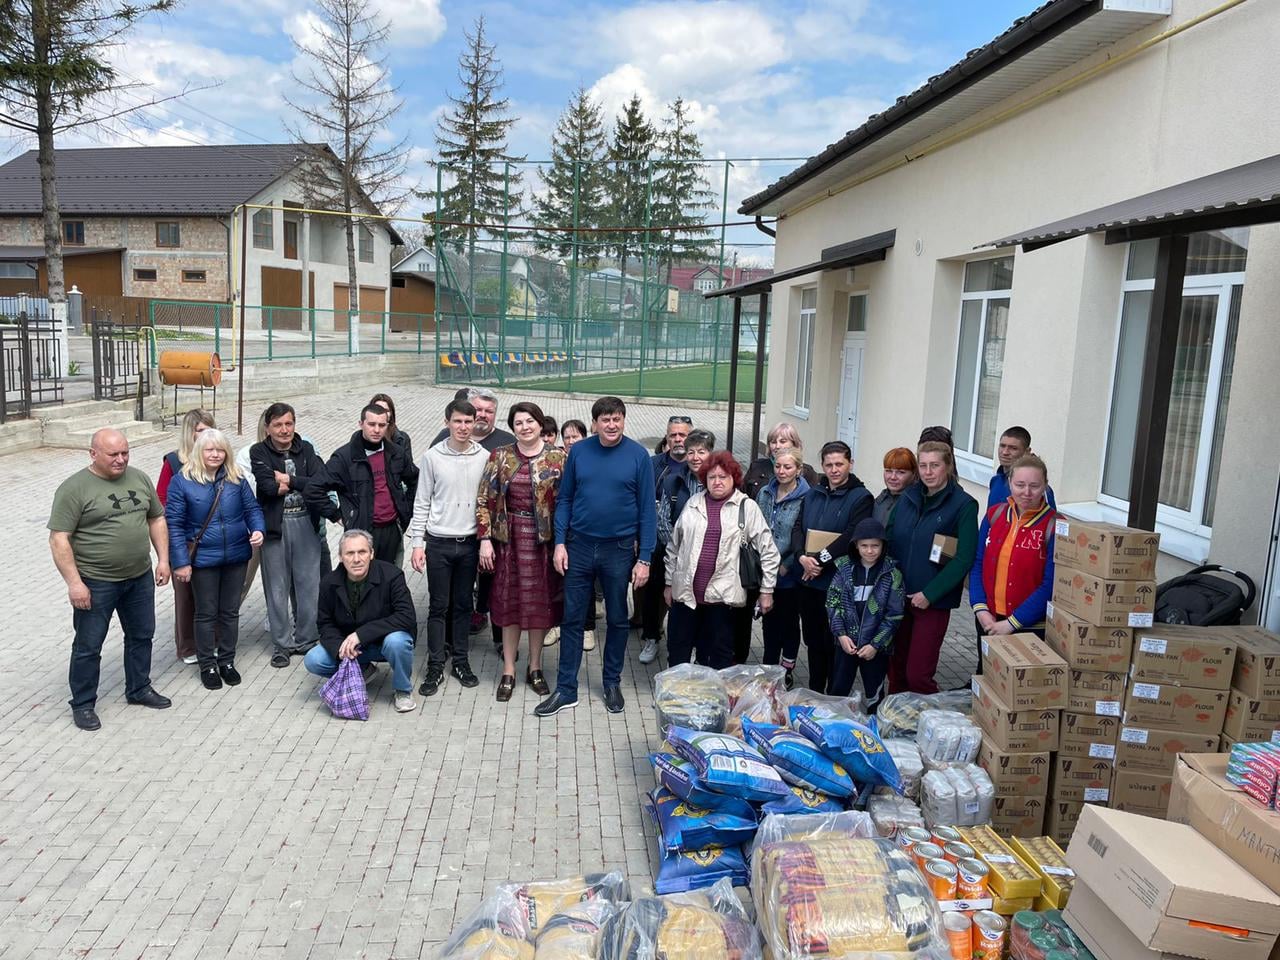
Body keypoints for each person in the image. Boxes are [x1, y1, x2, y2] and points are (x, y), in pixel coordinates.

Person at [537, 396, 657, 717]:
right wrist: (559, 543)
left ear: (623, 420)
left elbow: (647, 510)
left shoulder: (638, 456)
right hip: (578, 545)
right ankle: (566, 689)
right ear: (595, 423)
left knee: (617, 619)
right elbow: (565, 500)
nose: (612, 424)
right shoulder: (578, 452)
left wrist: (644, 557)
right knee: (572, 618)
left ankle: (611, 682)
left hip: (618, 550)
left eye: (617, 418)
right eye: (605, 419)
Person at [49, 429, 174, 731]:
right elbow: (59, 538)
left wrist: (164, 560)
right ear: (93, 454)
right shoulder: (74, 488)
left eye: (125, 453)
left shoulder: (139, 478)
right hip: (96, 581)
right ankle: (83, 704)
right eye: (113, 455)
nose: (121, 460)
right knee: (89, 645)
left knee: (142, 635)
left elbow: (156, 518)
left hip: (139, 576)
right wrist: (75, 583)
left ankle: (139, 688)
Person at [477, 401, 568, 701]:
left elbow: (568, 502)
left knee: (538, 605)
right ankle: (508, 669)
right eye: (518, 423)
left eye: (530, 421)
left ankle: (535, 667)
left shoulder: (558, 458)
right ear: (513, 427)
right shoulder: (500, 456)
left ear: (541, 425)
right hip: (509, 541)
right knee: (510, 604)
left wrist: (564, 543)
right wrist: (485, 538)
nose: (525, 427)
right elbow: (483, 499)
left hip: (544, 543)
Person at [166, 429, 266, 691]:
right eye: (210, 449)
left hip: (236, 555)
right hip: (203, 560)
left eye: (220, 449)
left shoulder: (235, 478)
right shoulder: (182, 481)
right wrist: (181, 562)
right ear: (199, 451)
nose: (215, 454)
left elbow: (252, 508)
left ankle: (227, 661)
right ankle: (207, 664)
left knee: (230, 612)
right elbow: (174, 525)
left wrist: (258, 529)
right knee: (206, 613)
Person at [664, 451, 779, 668]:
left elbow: (769, 552)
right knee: (678, 651)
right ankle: (675, 699)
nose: (717, 482)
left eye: (723, 477)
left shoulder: (747, 507)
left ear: (733, 478)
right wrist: (669, 583)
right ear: (705, 479)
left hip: (723, 600)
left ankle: (714, 700)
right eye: (712, 477)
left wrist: (767, 591)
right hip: (686, 595)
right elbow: (674, 547)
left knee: (718, 656)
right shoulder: (693, 503)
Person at [408, 398, 488, 696]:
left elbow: (486, 504)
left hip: (468, 544)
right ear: (447, 423)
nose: (464, 427)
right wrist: (418, 544)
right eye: (458, 421)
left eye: (469, 422)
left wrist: (484, 542)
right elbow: (422, 502)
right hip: (438, 543)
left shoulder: (484, 456)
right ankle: (435, 664)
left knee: (463, 605)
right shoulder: (432, 457)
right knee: (438, 606)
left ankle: (461, 661)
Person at [887, 441, 978, 694]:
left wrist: (930, 594)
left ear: (948, 467)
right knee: (896, 670)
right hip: (899, 597)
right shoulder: (908, 497)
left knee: (918, 675)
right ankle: (896, 722)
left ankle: (936, 723)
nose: (928, 472)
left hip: (932, 603)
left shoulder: (963, 505)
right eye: (924, 465)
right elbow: (890, 537)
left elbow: (964, 558)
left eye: (935, 465)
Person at [431, 388, 515, 647]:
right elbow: (433, 485)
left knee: (497, 586)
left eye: (489, 411)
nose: (483, 415)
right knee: (458, 590)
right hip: (460, 530)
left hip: (495, 531)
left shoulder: (506, 442)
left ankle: (500, 640)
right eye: (478, 410)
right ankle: (450, 641)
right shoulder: (444, 438)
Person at [305, 529, 419, 713]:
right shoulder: (329, 582)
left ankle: (402, 690)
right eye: (350, 553)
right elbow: (325, 623)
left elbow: (406, 617)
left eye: (362, 552)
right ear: (341, 557)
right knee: (313, 659)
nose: (356, 559)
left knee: (398, 642)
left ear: (372, 554)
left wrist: (361, 635)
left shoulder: (392, 575)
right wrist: (340, 648)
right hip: (353, 647)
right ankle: (363, 670)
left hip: (384, 641)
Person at [791, 440, 874, 694]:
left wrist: (819, 560)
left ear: (851, 463)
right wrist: (801, 557)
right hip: (809, 581)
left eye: (840, 464)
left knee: (834, 642)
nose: (834, 469)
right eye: (829, 464)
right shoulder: (813, 493)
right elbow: (797, 528)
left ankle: (834, 696)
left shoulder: (861, 497)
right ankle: (816, 690)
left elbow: (851, 535)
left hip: (837, 584)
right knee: (814, 642)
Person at [250, 402, 327, 668]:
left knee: (309, 585)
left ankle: (306, 639)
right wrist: (287, 484)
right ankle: (282, 644)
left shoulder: (305, 448)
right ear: (268, 428)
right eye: (278, 425)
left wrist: (290, 481)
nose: (284, 430)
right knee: (277, 587)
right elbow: (267, 487)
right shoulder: (258, 451)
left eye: (289, 423)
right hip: (275, 528)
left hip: (306, 523)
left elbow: (320, 481)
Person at [309, 403, 418, 569]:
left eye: (382, 425)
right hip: (362, 533)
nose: (377, 430)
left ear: (387, 426)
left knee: (389, 581)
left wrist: (406, 510)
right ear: (361, 424)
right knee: (362, 584)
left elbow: (415, 479)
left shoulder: (396, 453)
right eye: (371, 424)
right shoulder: (344, 457)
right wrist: (337, 515)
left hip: (392, 529)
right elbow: (313, 489)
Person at [970, 454, 1056, 641]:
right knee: (983, 670)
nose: (1026, 492)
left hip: (1030, 628)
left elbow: (1051, 584)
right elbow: (977, 564)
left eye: (1034, 486)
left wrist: (1012, 623)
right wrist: (980, 608)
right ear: (1009, 482)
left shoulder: (1055, 526)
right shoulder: (995, 515)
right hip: (989, 621)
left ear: (1045, 486)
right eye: (1020, 485)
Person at [826, 517, 905, 710]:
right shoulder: (844, 568)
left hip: (875, 648)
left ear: (883, 546)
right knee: (838, 689)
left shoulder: (892, 574)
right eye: (864, 546)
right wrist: (841, 635)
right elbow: (832, 603)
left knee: (875, 692)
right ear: (856, 546)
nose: (870, 551)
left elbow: (894, 615)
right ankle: (835, 725)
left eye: (875, 546)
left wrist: (875, 645)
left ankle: (875, 727)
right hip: (847, 644)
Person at [157, 408, 215, 664]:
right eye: (201, 431)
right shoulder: (173, 462)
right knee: (185, 597)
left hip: (212, 538)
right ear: (189, 434)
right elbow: (161, 500)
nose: (206, 436)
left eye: (210, 430)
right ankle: (188, 647)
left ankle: (212, 642)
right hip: (184, 539)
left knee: (212, 595)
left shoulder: (218, 458)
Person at [637, 415, 693, 666]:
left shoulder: (699, 466)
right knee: (652, 593)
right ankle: (651, 637)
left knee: (687, 597)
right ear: (667, 438)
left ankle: (686, 643)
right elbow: (642, 502)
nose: (678, 439)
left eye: (683, 435)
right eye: (674, 435)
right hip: (659, 543)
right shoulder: (653, 465)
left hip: (692, 546)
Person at [756, 446, 811, 689]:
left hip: (789, 573)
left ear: (799, 469)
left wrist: (786, 565)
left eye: (788, 467)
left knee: (788, 624)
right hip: (765, 569)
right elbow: (756, 524)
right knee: (769, 622)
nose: (781, 471)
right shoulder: (766, 493)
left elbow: (803, 534)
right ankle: (769, 669)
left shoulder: (806, 497)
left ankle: (786, 668)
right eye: (778, 466)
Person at [545, 419, 593, 649]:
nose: (571, 441)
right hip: (558, 529)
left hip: (583, 531)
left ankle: (587, 627)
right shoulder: (556, 459)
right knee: (559, 579)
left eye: (576, 436)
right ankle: (556, 624)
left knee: (586, 582)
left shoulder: (591, 457)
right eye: (567, 437)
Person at [743, 422, 820, 500]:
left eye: (783, 441)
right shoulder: (757, 466)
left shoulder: (807, 472)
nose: (777, 446)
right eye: (773, 442)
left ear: (794, 444)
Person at [987, 426, 1056, 510]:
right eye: (1002, 446)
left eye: (1013, 448)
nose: (1005, 452)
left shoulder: (1039, 490)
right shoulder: (995, 480)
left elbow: (1050, 520)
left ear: (1027, 451)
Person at [874, 447, 918, 527]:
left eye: (901, 472)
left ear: (914, 473)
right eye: (888, 471)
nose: (893, 477)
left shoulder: (917, 503)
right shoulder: (879, 501)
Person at [369, 392, 413, 465]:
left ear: (391, 414)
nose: (382, 413)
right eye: (378, 409)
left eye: (386, 410)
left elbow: (409, 469)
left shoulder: (402, 439)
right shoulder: (360, 439)